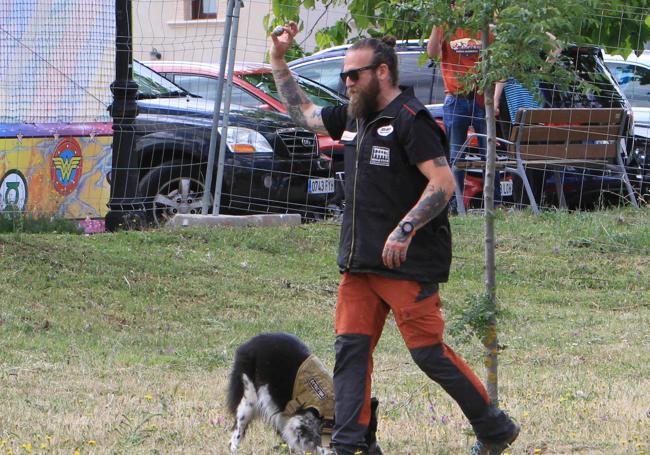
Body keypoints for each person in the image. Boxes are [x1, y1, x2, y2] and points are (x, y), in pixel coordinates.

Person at [270, 22, 519, 455]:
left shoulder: (410, 120)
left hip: (408, 264)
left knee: (429, 355)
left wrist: (405, 229)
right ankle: (352, 446)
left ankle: (494, 428)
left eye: (354, 75)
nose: (347, 83)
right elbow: (304, 115)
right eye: (344, 76)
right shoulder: (353, 116)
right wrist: (278, 59)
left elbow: (443, 184)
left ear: (382, 73)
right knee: (351, 354)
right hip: (359, 263)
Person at [427, 19, 502, 212]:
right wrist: (437, 23)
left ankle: (494, 204)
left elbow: (499, 65)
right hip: (455, 97)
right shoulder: (446, 26)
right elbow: (432, 53)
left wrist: (494, 99)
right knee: (454, 155)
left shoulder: (484, 28)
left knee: (488, 152)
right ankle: (454, 205)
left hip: (481, 97)